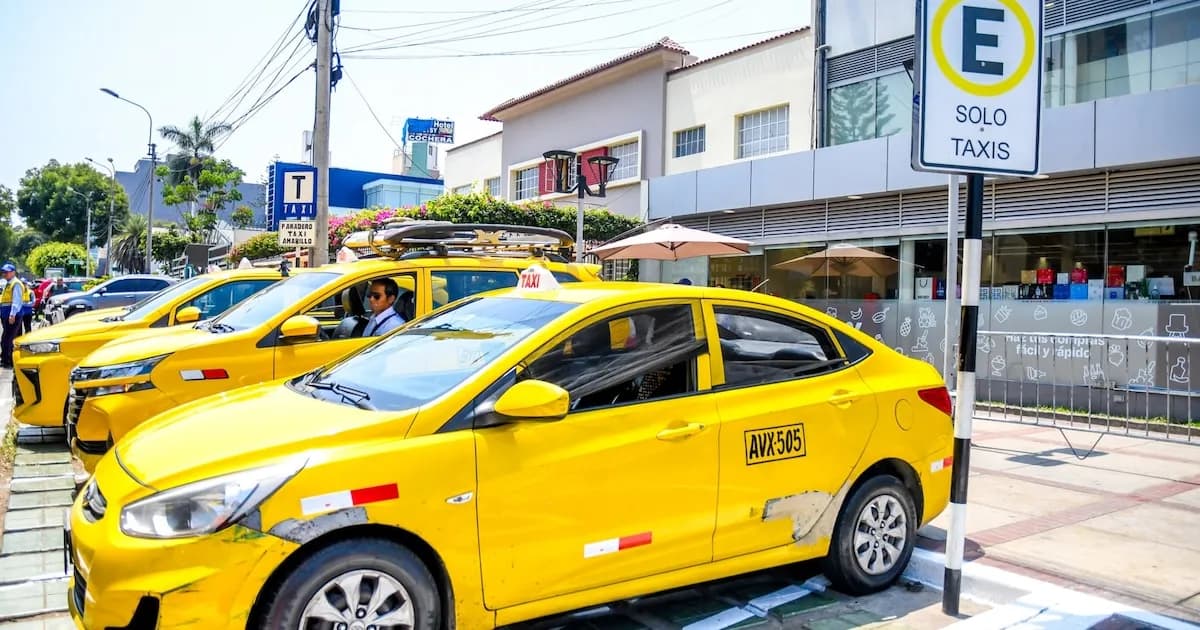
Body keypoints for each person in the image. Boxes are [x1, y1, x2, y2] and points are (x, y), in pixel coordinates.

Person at [0, 263, 27, 368]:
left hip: (12, 315)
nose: (4, 274)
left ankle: (8, 361)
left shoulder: (16, 284)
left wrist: (12, 314)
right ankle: (5, 359)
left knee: (8, 338)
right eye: (3, 272)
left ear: (13, 272)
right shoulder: (8, 284)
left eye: (6, 272)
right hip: (6, 314)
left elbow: (16, 301)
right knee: (6, 337)